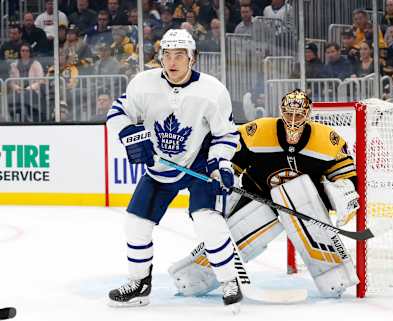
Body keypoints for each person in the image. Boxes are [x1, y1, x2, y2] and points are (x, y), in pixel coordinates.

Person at [168, 89, 360, 299]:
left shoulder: (327, 139)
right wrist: (224, 174)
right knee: (239, 229)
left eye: (299, 114)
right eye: (288, 114)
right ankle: (191, 278)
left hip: (304, 202)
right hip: (256, 194)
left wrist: (344, 192)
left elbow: (345, 175)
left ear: (309, 114)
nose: (293, 120)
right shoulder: (257, 131)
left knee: (299, 192)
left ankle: (334, 278)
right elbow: (230, 162)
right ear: (280, 112)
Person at [106, 29, 243, 310]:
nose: (172, 61)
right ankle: (139, 283)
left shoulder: (212, 91)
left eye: (179, 54)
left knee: (207, 220)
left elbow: (226, 135)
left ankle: (230, 280)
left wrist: (221, 163)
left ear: (192, 58)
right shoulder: (143, 84)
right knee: (135, 223)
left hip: (199, 165)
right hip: (160, 166)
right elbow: (117, 113)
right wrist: (130, 134)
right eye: (167, 54)